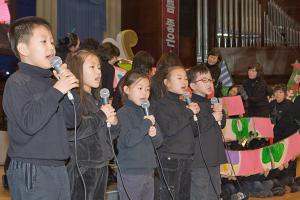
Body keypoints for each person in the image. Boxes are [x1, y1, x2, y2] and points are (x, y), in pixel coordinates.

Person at [3, 16, 80, 199]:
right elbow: (29, 123)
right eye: (44, 41)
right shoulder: (17, 82)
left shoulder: (52, 83)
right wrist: (57, 90)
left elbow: (73, 120)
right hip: (32, 168)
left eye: (52, 42)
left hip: (58, 167)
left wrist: (68, 88)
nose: (51, 47)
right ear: (23, 49)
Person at [66, 49, 120, 200]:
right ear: (77, 69)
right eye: (92, 67)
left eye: (99, 68)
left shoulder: (96, 98)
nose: (98, 72)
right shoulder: (72, 98)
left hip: (101, 165)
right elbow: (74, 130)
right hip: (82, 167)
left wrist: (114, 123)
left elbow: (109, 134)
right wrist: (102, 115)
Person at [152, 65, 200, 200]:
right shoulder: (161, 105)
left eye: (185, 78)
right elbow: (169, 128)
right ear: (166, 83)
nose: (184, 82)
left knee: (183, 196)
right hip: (170, 158)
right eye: (179, 78)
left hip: (187, 158)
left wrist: (195, 115)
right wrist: (189, 112)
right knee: (169, 196)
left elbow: (195, 131)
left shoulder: (184, 104)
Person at [116, 70, 163, 200]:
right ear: (126, 89)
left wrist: (154, 135)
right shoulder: (123, 113)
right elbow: (128, 140)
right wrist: (146, 124)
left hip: (148, 170)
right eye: (140, 88)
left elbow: (159, 143)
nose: (144, 93)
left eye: (147, 89)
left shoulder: (147, 112)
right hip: (130, 171)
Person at [188, 64, 227, 200]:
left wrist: (220, 112)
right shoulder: (190, 105)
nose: (209, 83)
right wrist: (213, 117)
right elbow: (194, 128)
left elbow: (221, 125)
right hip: (199, 159)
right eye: (204, 80)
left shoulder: (212, 102)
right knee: (200, 194)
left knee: (215, 194)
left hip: (214, 158)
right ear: (192, 85)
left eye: (210, 80)